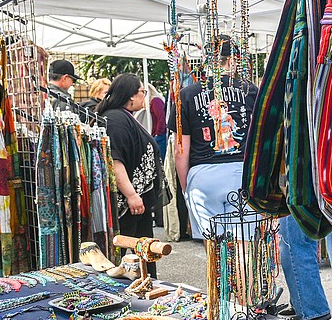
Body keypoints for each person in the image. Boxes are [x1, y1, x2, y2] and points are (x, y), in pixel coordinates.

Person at [171, 36, 258, 239]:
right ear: (234, 59)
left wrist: (187, 187)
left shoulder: (186, 95)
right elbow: (261, 140)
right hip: (242, 173)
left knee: (214, 245)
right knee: (244, 244)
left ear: (205, 59)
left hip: (203, 176)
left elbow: (180, 150)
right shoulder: (251, 91)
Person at [97, 74, 164, 273]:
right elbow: (115, 161)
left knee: (142, 252)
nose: (144, 96)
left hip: (136, 202)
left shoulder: (122, 117)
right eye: (142, 92)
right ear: (131, 95)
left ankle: (146, 283)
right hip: (128, 205)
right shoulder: (115, 119)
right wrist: (131, 195)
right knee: (126, 253)